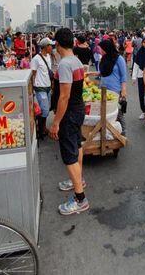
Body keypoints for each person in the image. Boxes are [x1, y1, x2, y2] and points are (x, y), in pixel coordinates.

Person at [48, 28, 89, 215]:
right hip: (78, 109)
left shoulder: (65, 64)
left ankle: (80, 199)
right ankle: (78, 180)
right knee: (77, 145)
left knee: (69, 154)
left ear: (57, 44)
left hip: (69, 113)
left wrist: (56, 122)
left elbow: (63, 97)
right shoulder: (76, 60)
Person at [99, 39, 128, 134]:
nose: (100, 50)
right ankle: (107, 132)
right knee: (105, 112)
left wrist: (123, 90)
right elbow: (103, 72)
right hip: (102, 89)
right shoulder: (104, 58)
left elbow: (123, 76)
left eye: (101, 49)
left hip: (115, 90)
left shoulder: (119, 59)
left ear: (107, 48)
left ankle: (123, 132)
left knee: (117, 112)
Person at [31, 37, 55, 140]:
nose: (52, 47)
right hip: (40, 87)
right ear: (45, 47)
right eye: (50, 46)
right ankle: (41, 130)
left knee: (46, 109)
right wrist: (32, 88)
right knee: (44, 110)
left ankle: (43, 127)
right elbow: (33, 73)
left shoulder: (49, 56)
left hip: (48, 86)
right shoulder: (36, 59)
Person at [132, 38, 145, 119]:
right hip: (140, 76)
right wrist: (134, 78)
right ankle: (143, 111)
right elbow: (136, 65)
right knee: (141, 95)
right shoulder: (140, 52)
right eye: (144, 42)